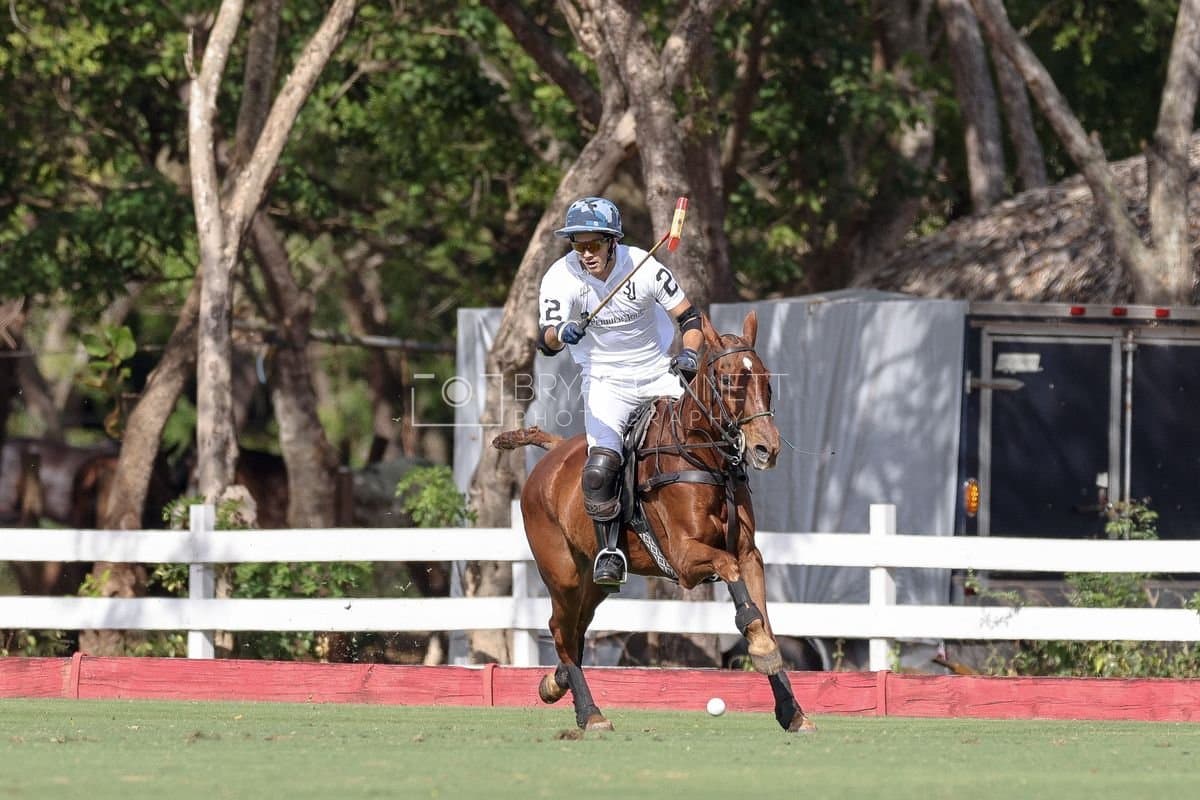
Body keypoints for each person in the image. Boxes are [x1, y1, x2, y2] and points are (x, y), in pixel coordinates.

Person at [537, 196, 704, 589]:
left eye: (594, 244)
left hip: (657, 371)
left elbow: (690, 317)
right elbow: (545, 341)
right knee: (599, 469)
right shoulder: (561, 277)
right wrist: (561, 333)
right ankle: (610, 548)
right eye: (578, 244)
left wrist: (691, 353)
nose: (586, 253)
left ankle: (730, 516)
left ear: (613, 241)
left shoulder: (644, 266)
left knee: (707, 439)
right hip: (605, 382)